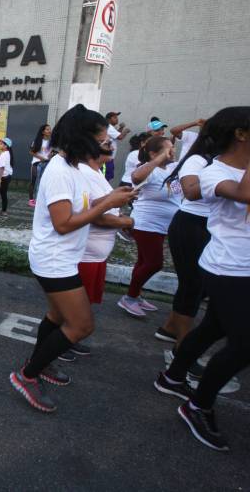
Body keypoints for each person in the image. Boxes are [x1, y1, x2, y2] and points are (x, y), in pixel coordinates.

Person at [10, 105, 135, 413]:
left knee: (56, 316)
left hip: (63, 257)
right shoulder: (59, 171)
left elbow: (84, 207)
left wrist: (112, 199)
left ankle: (40, 363)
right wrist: (108, 203)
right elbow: (64, 223)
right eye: (102, 140)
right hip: (54, 259)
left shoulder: (74, 167)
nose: (106, 145)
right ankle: (27, 375)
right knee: (81, 325)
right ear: (83, 138)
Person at [153, 106, 250, 452]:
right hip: (228, 267)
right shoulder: (213, 171)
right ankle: (198, 405)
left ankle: (172, 376)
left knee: (213, 328)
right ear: (240, 134)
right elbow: (245, 195)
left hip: (241, 266)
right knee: (244, 344)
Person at [75, 138, 134, 359]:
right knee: (75, 306)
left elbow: (102, 204)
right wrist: (126, 222)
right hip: (87, 253)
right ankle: (62, 340)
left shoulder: (97, 171)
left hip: (96, 254)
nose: (111, 145)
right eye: (105, 142)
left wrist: (116, 198)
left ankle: (68, 338)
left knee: (83, 304)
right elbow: (96, 216)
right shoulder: (84, 172)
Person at [154, 133, 212, 345]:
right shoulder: (196, 161)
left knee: (201, 284)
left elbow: (176, 192)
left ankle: (170, 327)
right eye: (167, 149)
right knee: (192, 282)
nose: (172, 152)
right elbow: (187, 192)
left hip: (207, 224)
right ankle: (182, 344)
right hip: (188, 223)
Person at [118, 136, 181, 318]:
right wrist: (158, 159)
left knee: (143, 262)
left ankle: (135, 295)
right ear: (154, 154)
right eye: (168, 148)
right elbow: (136, 177)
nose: (173, 151)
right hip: (146, 224)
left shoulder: (172, 168)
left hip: (162, 225)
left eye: (173, 147)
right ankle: (129, 297)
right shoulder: (148, 170)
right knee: (154, 263)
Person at [28, 124, 52, 206]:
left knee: (43, 183)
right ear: (43, 132)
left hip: (47, 164)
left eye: (50, 129)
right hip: (36, 164)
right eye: (47, 129)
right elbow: (31, 152)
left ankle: (40, 199)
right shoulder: (37, 141)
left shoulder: (51, 142)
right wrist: (41, 158)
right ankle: (31, 200)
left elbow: (48, 153)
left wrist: (50, 156)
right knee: (34, 182)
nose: (49, 131)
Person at [104, 111, 130, 181]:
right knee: (105, 178)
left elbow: (116, 135)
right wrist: (125, 131)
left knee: (107, 178)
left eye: (117, 117)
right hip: (106, 159)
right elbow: (120, 137)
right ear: (109, 119)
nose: (117, 119)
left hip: (109, 158)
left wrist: (121, 128)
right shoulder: (109, 127)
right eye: (114, 117)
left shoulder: (110, 127)